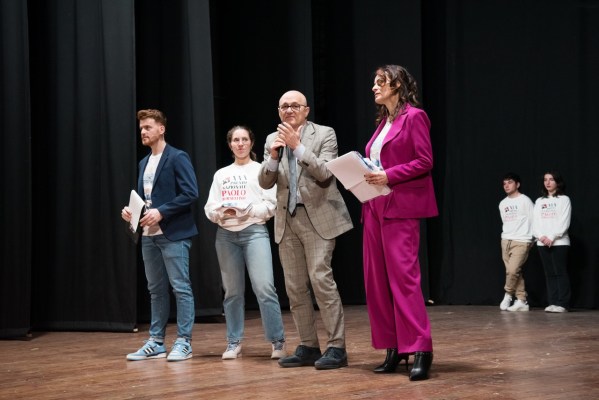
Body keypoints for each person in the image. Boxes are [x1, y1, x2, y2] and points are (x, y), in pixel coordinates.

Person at [258, 90, 353, 370]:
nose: (289, 110)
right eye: (284, 106)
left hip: (317, 218)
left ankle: (337, 347)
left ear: (306, 110)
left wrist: (297, 146)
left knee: (321, 280)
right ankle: (309, 345)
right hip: (287, 220)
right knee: (295, 287)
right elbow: (265, 182)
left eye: (294, 106)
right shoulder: (271, 139)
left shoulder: (324, 134)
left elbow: (325, 173)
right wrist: (273, 156)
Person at [362, 65, 438, 381]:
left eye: (380, 82)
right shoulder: (383, 123)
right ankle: (393, 347)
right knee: (377, 281)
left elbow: (425, 161)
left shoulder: (415, 117)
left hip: (400, 206)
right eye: (374, 82)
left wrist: (388, 175)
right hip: (374, 206)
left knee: (404, 279)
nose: (374, 87)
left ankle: (421, 348)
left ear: (396, 84)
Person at [122, 109, 199, 361]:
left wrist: (161, 212)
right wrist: (132, 213)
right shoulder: (143, 163)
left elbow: (190, 193)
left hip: (173, 233)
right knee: (155, 290)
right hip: (148, 235)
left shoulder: (177, 157)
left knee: (181, 287)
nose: (143, 132)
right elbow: (147, 199)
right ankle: (156, 342)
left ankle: (184, 342)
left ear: (161, 129)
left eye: (148, 127)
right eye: (141, 128)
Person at [204, 125, 287, 360]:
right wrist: (219, 213)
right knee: (232, 292)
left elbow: (271, 204)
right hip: (226, 235)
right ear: (230, 145)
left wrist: (248, 210)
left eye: (244, 139)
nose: (240, 144)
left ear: (251, 143)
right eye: (235, 140)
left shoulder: (261, 170)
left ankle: (277, 341)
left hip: (254, 232)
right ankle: (234, 342)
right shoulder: (221, 174)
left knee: (264, 288)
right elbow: (210, 207)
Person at [532, 171, 572, 313]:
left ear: (557, 182)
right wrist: (541, 237)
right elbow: (535, 222)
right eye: (545, 180)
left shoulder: (564, 199)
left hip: (559, 242)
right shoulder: (539, 201)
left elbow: (564, 221)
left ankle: (563, 303)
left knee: (560, 272)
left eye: (551, 179)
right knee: (549, 273)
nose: (548, 182)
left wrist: (552, 237)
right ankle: (553, 302)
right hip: (542, 242)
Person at [498, 172, 534, 312]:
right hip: (506, 240)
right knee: (513, 271)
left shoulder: (525, 200)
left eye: (510, 182)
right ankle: (521, 300)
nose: (506, 185)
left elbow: (533, 220)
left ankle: (508, 294)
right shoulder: (503, 203)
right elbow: (505, 222)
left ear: (517, 184)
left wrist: (533, 239)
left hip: (522, 240)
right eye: (504, 183)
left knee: (512, 270)